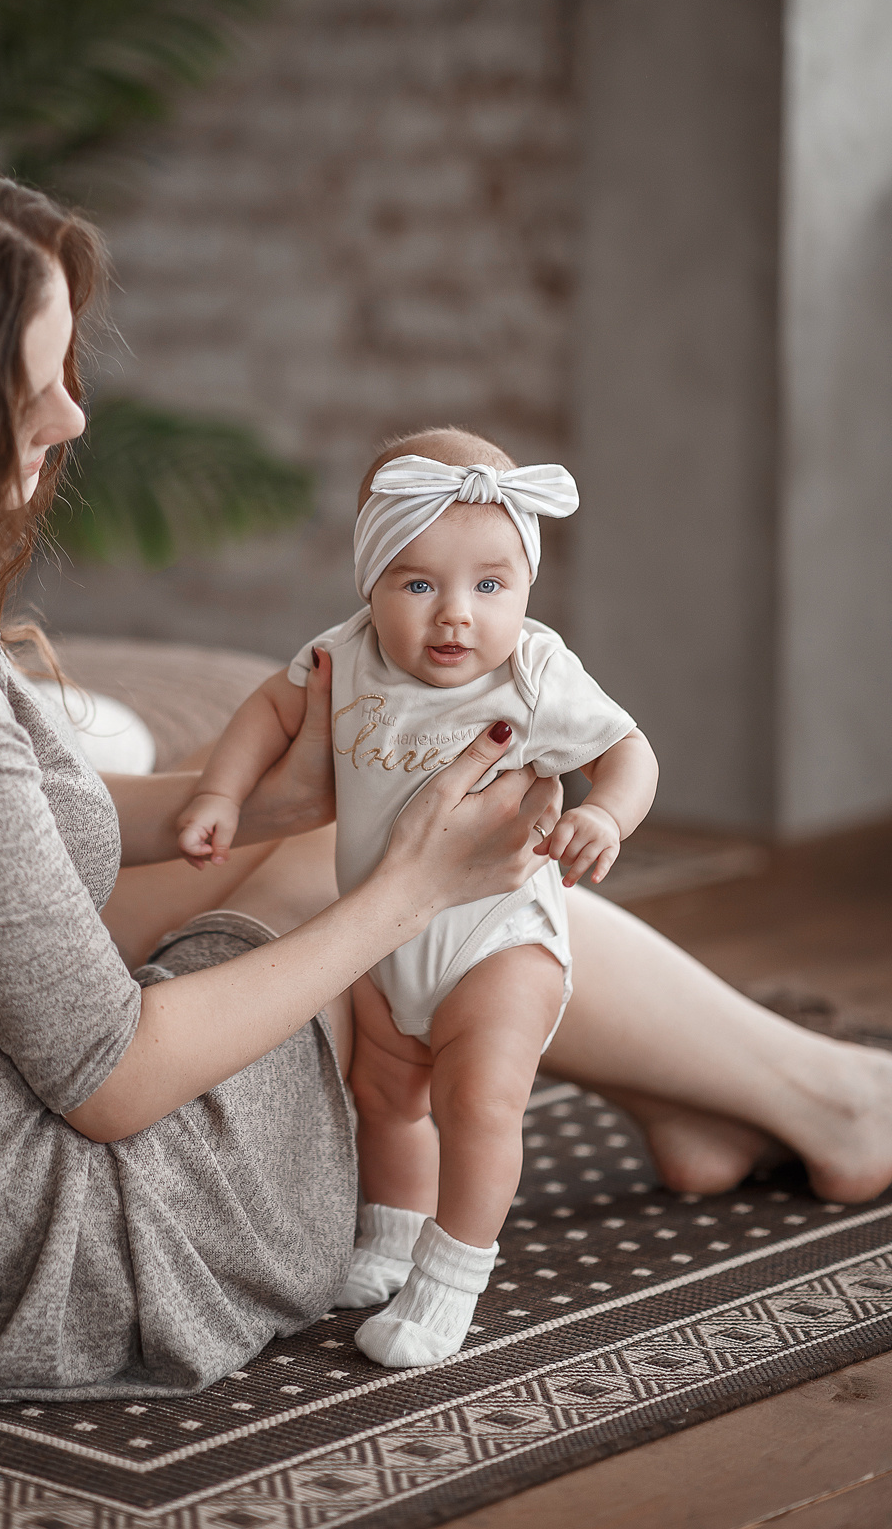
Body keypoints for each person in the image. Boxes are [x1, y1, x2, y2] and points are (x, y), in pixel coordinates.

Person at [0, 150, 888, 1406]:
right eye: (28, 386)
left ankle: (726, 1099)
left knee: (327, 836)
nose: (71, 417)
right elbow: (111, 1083)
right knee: (371, 876)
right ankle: (837, 1099)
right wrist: (412, 887)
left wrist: (270, 798)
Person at [177, 428, 660, 1367]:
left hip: (497, 935)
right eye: (418, 584)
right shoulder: (344, 657)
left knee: (479, 1103)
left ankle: (450, 1278)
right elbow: (266, 714)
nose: (455, 617)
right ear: (369, 583)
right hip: (381, 938)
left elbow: (628, 749)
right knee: (386, 1097)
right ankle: (392, 1241)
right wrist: (217, 793)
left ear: (525, 589)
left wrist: (609, 815)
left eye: (491, 586)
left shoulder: (535, 672)